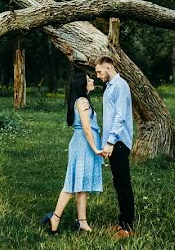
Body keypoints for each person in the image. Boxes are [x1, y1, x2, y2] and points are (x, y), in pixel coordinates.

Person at [42, 71, 104, 234]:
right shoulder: (82, 101)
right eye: (89, 79)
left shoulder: (82, 100)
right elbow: (86, 127)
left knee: (81, 184)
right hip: (83, 144)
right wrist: (95, 148)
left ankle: (82, 222)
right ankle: (54, 218)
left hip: (83, 143)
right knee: (72, 183)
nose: (92, 80)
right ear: (83, 85)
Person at [95, 55, 135, 239]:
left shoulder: (120, 85)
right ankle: (122, 221)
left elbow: (121, 116)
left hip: (118, 142)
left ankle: (128, 227)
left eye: (99, 71)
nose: (97, 75)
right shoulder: (110, 87)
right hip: (113, 142)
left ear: (108, 67)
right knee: (118, 183)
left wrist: (110, 142)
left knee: (123, 184)